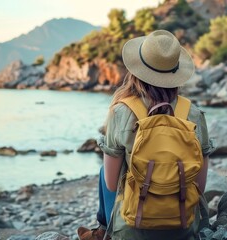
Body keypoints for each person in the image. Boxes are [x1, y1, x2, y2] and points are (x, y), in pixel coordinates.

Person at [77, 29, 215, 240]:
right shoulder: (194, 114)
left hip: (132, 229)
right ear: (175, 74)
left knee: (106, 169)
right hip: (183, 226)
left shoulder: (121, 112)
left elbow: (112, 184)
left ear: (136, 71)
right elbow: (200, 185)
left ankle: (103, 231)